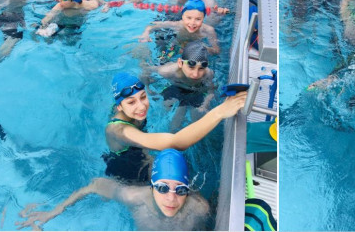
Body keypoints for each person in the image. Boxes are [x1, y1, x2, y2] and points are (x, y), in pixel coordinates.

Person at [17, 149, 210, 231]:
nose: (171, 198)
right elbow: (95, 185)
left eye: (181, 190)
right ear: (152, 187)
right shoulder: (133, 196)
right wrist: (53, 212)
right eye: (162, 188)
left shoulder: (199, 208)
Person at [103, 72, 246, 183]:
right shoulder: (118, 131)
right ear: (119, 107)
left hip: (137, 149)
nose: (141, 106)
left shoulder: (128, 111)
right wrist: (220, 112)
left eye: (143, 97)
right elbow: (175, 143)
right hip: (127, 171)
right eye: (131, 102)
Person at [143, 41, 216, 130]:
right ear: (180, 63)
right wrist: (148, 89)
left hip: (196, 91)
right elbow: (146, 71)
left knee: (198, 123)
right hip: (175, 88)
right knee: (171, 122)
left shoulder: (208, 73)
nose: (195, 74)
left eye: (201, 68)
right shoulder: (167, 71)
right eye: (191, 68)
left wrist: (205, 104)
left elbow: (211, 90)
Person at [138, 0, 220, 54]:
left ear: (203, 18)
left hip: (196, 51)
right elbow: (152, 25)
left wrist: (201, 48)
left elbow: (216, 50)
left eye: (198, 19)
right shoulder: (177, 25)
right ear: (183, 16)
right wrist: (145, 34)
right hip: (176, 45)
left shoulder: (209, 30)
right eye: (189, 18)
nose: (192, 23)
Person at [36, 0, 105, 37]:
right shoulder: (59, 6)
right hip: (62, 21)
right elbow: (46, 19)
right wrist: (41, 28)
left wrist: (105, 4)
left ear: (75, 0)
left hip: (75, 25)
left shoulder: (89, 6)